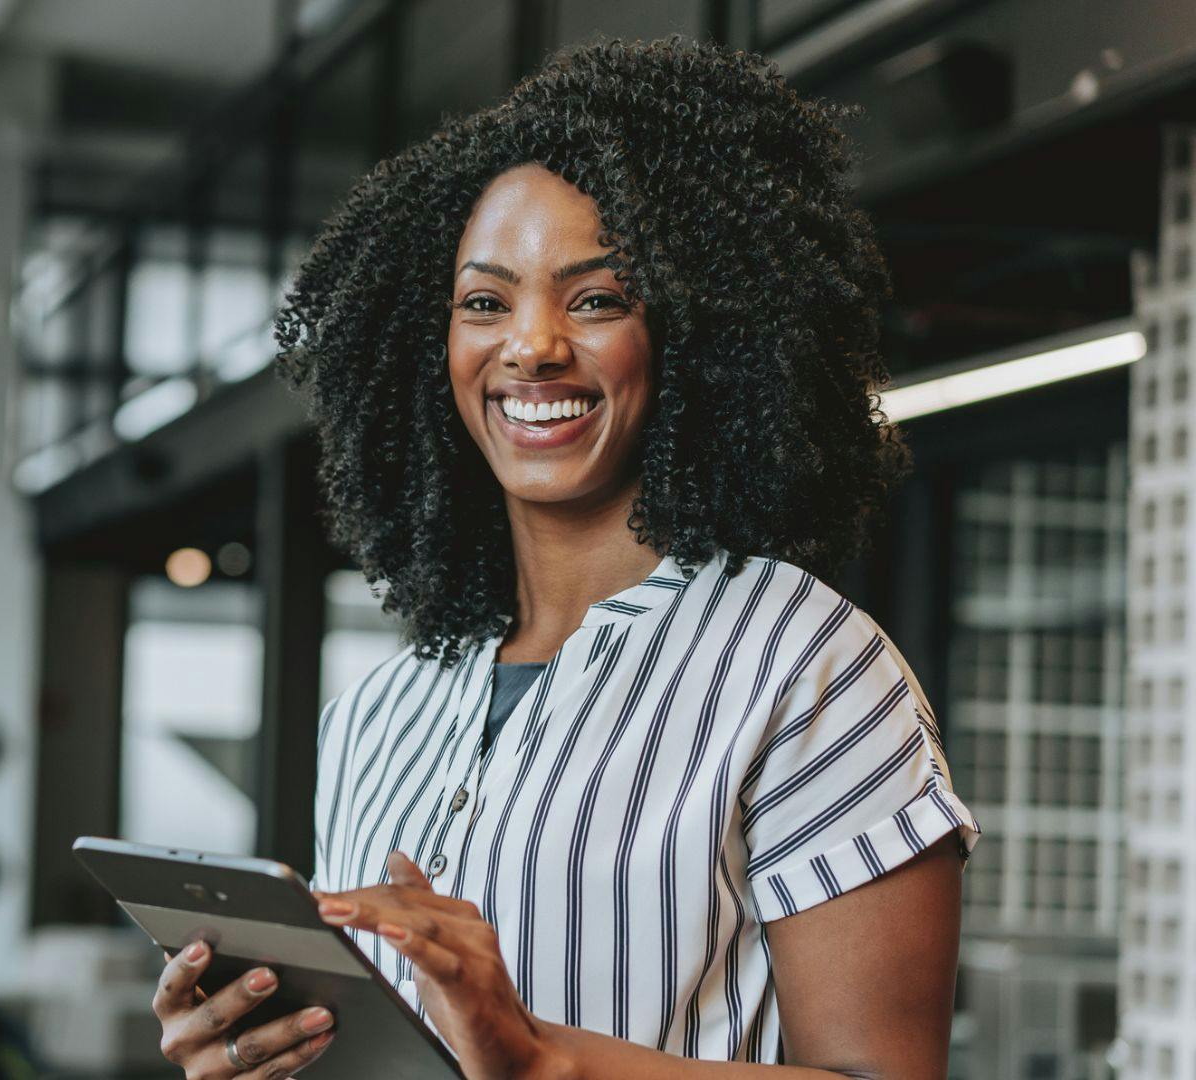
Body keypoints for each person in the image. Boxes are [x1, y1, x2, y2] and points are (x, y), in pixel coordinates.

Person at [150, 34, 982, 1080]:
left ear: (697, 333)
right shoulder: (376, 715)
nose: (532, 346)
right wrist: (253, 1048)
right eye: (484, 303)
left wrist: (541, 1062)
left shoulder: (807, 667)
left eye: (596, 299)